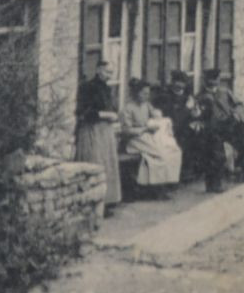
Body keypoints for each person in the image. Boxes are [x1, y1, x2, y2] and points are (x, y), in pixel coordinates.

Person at [120, 80, 182, 198]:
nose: (146, 96)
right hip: (134, 140)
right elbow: (126, 131)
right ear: (135, 93)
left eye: (148, 94)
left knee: (171, 151)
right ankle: (154, 188)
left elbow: (155, 114)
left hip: (147, 137)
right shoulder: (128, 108)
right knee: (160, 154)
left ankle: (160, 186)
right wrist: (144, 129)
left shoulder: (146, 105)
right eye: (143, 93)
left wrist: (156, 116)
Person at [74, 60, 122, 214]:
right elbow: (82, 112)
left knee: (107, 163)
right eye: (107, 72)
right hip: (92, 130)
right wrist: (104, 114)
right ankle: (91, 203)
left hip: (105, 131)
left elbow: (112, 107)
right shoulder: (88, 88)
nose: (110, 76)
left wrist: (113, 114)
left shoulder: (106, 89)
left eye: (111, 73)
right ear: (99, 70)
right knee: (95, 161)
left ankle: (106, 202)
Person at [199, 68, 244, 192]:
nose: (213, 83)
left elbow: (238, 104)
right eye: (210, 81)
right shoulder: (201, 97)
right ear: (206, 81)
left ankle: (241, 169)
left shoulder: (225, 92)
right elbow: (200, 116)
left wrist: (238, 113)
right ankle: (214, 183)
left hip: (229, 126)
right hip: (212, 129)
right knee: (216, 150)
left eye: (215, 80)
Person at [155, 69, 203, 181]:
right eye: (176, 82)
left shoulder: (188, 96)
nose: (179, 85)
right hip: (172, 129)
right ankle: (182, 173)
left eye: (182, 82)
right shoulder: (165, 97)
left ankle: (195, 170)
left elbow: (194, 114)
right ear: (172, 82)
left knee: (202, 134)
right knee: (184, 139)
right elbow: (174, 119)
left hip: (187, 127)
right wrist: (187, 108)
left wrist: (196, 116)